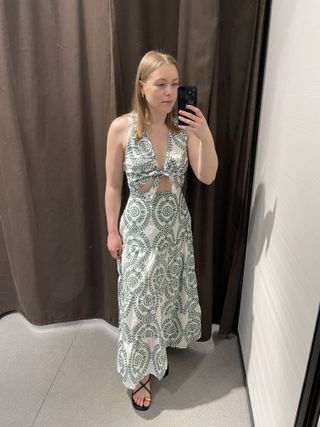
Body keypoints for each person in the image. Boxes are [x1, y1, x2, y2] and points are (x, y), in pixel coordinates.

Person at [105, 50, 218, 411]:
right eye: (161, 84)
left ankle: (157, 356)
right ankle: (138, 372)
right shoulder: (121, 127)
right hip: (138, 225)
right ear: (142, 86)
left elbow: (207, 175)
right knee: (137, 299)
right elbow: (111, 187)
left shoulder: (185, 126)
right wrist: (111, 230)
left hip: (173, 226)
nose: (170, 92)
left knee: (166, 293)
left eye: (174, 84)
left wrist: (205, 135)